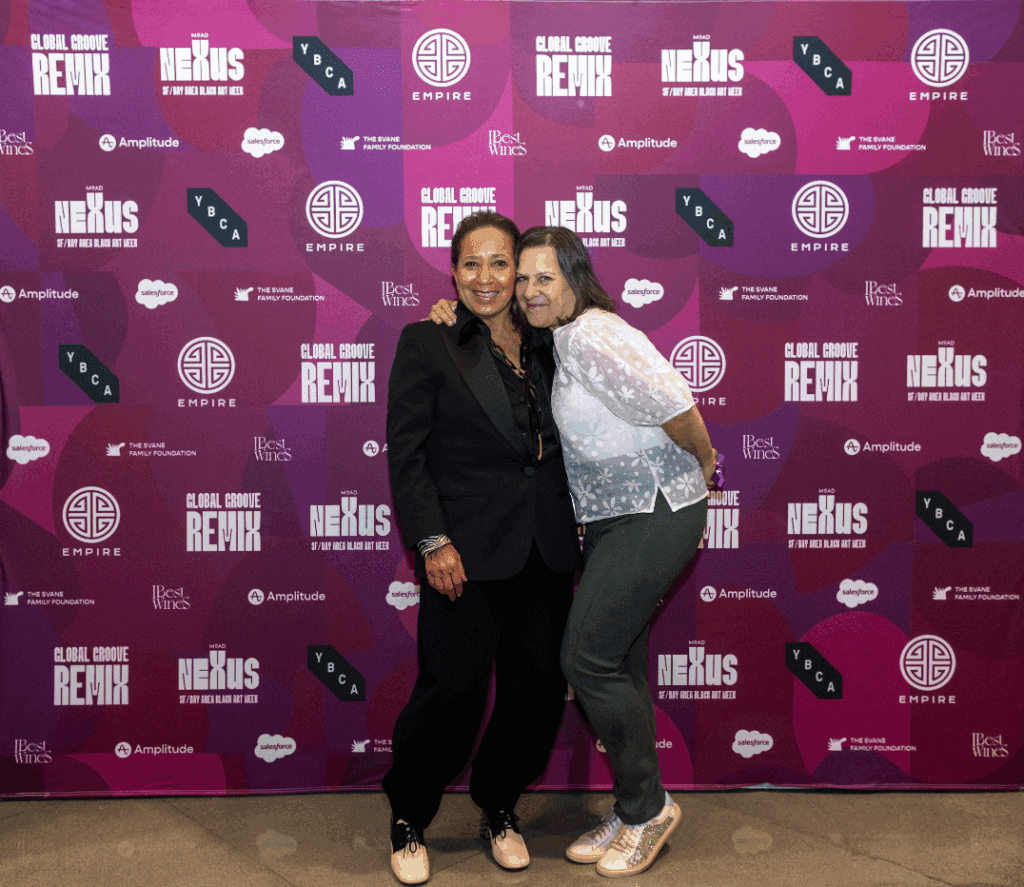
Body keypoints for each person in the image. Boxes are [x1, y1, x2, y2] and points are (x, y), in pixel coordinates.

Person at [430, 225, 718, 878]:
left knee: (586, 657)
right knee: (619, 662)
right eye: (523, 278)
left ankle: (649, 809)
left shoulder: (591, 333)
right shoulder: (558, 339)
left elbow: (675, 402)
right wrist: (449, 313)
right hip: (614, 520)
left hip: (654, 510)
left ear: (574, 279)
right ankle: (635, 803)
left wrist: (705, 464)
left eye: (545, 277)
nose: (530, 290)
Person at [383, 212, 582, 885]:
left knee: (537, 691)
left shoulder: (554, 339)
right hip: (461, 555)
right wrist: (432, 540)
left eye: (502, 264)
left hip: (547, 547)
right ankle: (409, 813)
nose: (487, 277)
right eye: (472, 264)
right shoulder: (429, 341)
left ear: (521, 272)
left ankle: (499, 803)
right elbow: (408, 454)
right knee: (453, 692)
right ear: (453, 273)